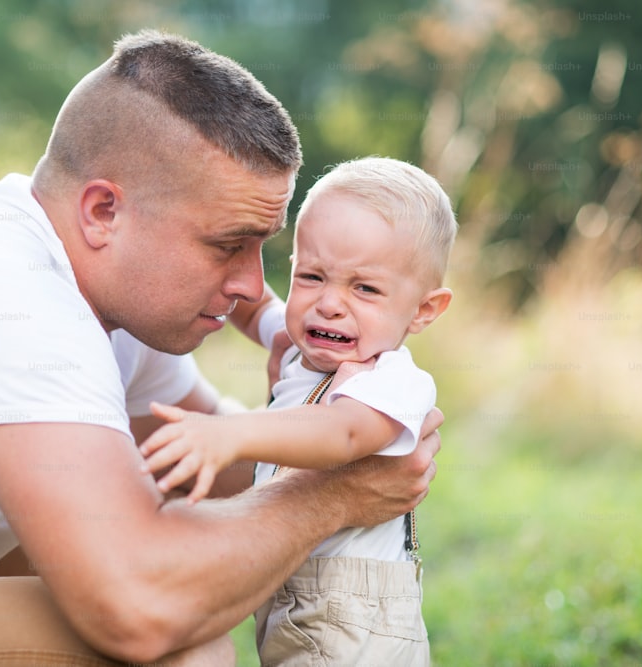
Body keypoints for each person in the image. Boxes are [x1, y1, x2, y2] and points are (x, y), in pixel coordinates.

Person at [0, 30, 443, 666]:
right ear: (103, 211)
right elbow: (140, 609)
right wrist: (334, 495)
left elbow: (197, 467)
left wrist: (328, 412)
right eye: (227, 245)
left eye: (266, 250)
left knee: (174, 556)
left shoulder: (97, 299)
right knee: (174, 644)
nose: (250, 287)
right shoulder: (6, 296)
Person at [140, 157, 456, 665]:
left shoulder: (391, 379)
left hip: (356, 625)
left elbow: (344, 432)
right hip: (291, 598)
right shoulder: (298, 352)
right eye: (312, 276)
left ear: (423, 310)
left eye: (365, 288)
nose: (329, 304)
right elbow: (251, 305)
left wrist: (232, 434)